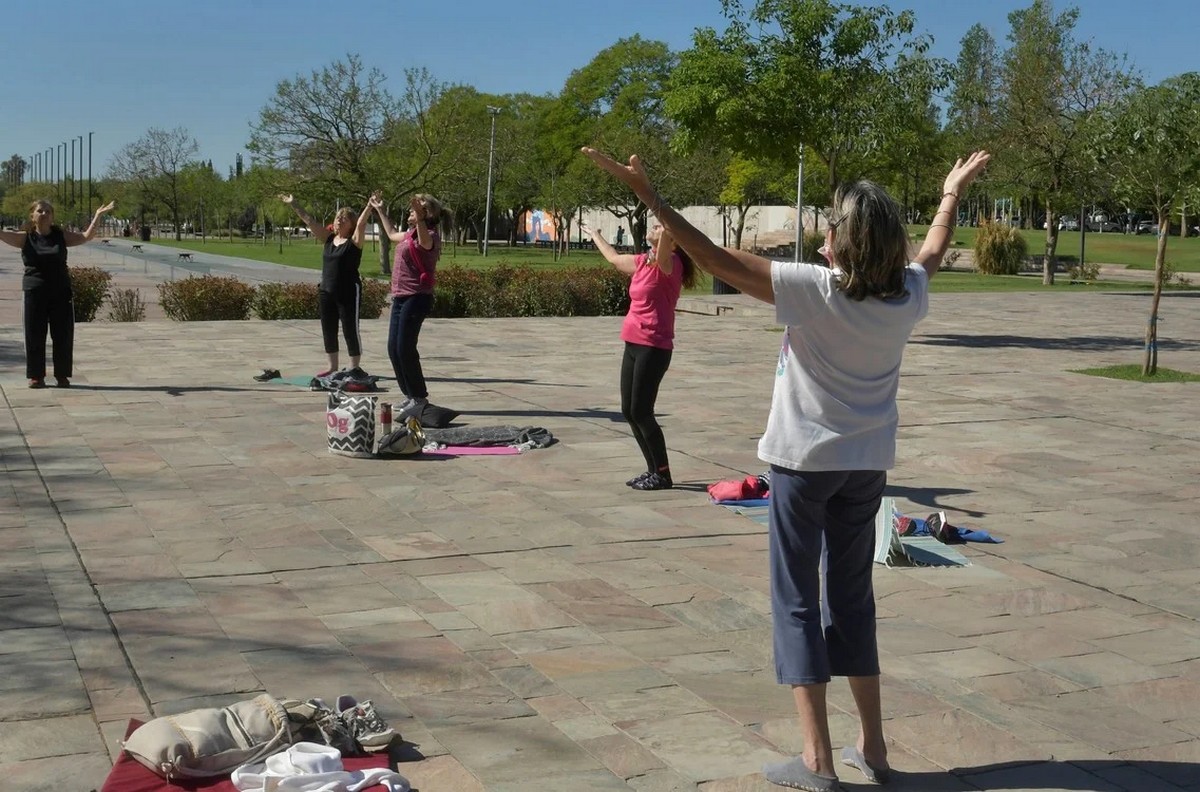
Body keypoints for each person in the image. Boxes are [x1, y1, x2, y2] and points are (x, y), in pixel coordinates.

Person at [582, 145, 990, 791]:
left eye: (831, 225)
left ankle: (818, 761)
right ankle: (875, 751)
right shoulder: (906, 294)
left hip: (804, 469)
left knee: (797, 601)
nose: (822, 234)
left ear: (843, 242)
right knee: (853, 599)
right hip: (867, 470)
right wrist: (950, 193)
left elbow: (715, 260)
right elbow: (933, 253)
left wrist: (654, 200)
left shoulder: (813, 289)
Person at [583, 219, 696, 490]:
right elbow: (612, 258)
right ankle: (652, 470)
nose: (654, 227)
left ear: (671, 240)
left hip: (653, 346)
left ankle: (663, 473)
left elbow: (667, 241)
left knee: (642, 411)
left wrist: (663, 215)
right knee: (629, 410)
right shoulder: (643, 262)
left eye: (659, 227)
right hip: (632, 342)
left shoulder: (669, 264)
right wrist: (595, 234)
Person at [0, 198, 117, 388]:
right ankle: (36, 375)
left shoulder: (61, 236)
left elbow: (86, 236)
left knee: (63, 334)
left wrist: (98, 215)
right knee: (34, 334)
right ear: (32, 215)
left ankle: (62, 375)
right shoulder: (25, 237)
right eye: (40, 211)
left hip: (61, 291)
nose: (44, 214)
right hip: (34, 291)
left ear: (53, 216)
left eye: (48, 211)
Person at [370, 193, 452, 419]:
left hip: (417, 297)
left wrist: (420, 216)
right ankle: (409, 395)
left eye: (416, 209)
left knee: (405, 348)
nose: (410, 211)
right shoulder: (409, 235)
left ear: (426, 214)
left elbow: (425, 244)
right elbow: (389, 233)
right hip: (400, 297)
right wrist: (380, 210)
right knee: (393, 348)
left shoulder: (431, 236)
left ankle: (419, 397)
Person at [280, 194, 374, 377]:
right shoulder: (329, 239)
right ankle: (332, 366)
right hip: (326, 291)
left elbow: (362, 223)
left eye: (344, 218)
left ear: (351, 224)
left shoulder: (354, 242)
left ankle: (354, 367)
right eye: (338, 216)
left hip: (348, 292)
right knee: (328, 329)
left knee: (350, 329)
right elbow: (309, 221)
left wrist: (369, 206)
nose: (339, 219)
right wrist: (294, 203)